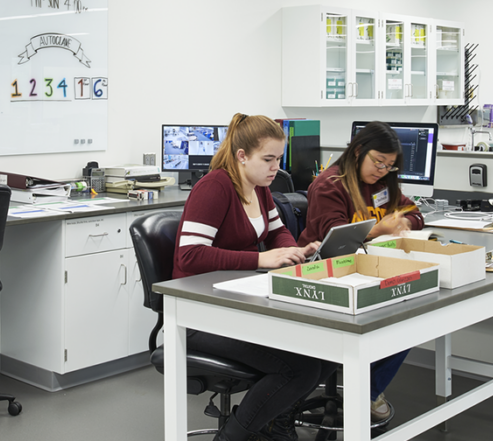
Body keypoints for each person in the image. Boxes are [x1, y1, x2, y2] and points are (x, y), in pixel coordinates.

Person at [173, 113, 324, 441]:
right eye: (268, 159)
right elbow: (190, 255)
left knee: (321, 348)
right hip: (197, 314)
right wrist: (261, 259)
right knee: (299, 368)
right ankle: (233, 436)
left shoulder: (259, 188)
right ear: (242, 156)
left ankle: (273, 424)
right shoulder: (214, 188)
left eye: (278, 159)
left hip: (236, 301)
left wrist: (290, 253)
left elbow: (278, 231)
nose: (276, 168)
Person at [299, 121, 424, 423]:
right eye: (378, 162)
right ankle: (364, 390)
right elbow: (335, 236)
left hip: (367, 271)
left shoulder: (382, 186)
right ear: (358, 152)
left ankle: (366, 390)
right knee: (394, 317)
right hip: (326, 273)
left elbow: (414, 212)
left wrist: (406, 223)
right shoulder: (330, 186)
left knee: (414, 316)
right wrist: (378, 229)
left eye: (390, 166)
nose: (382, 171)